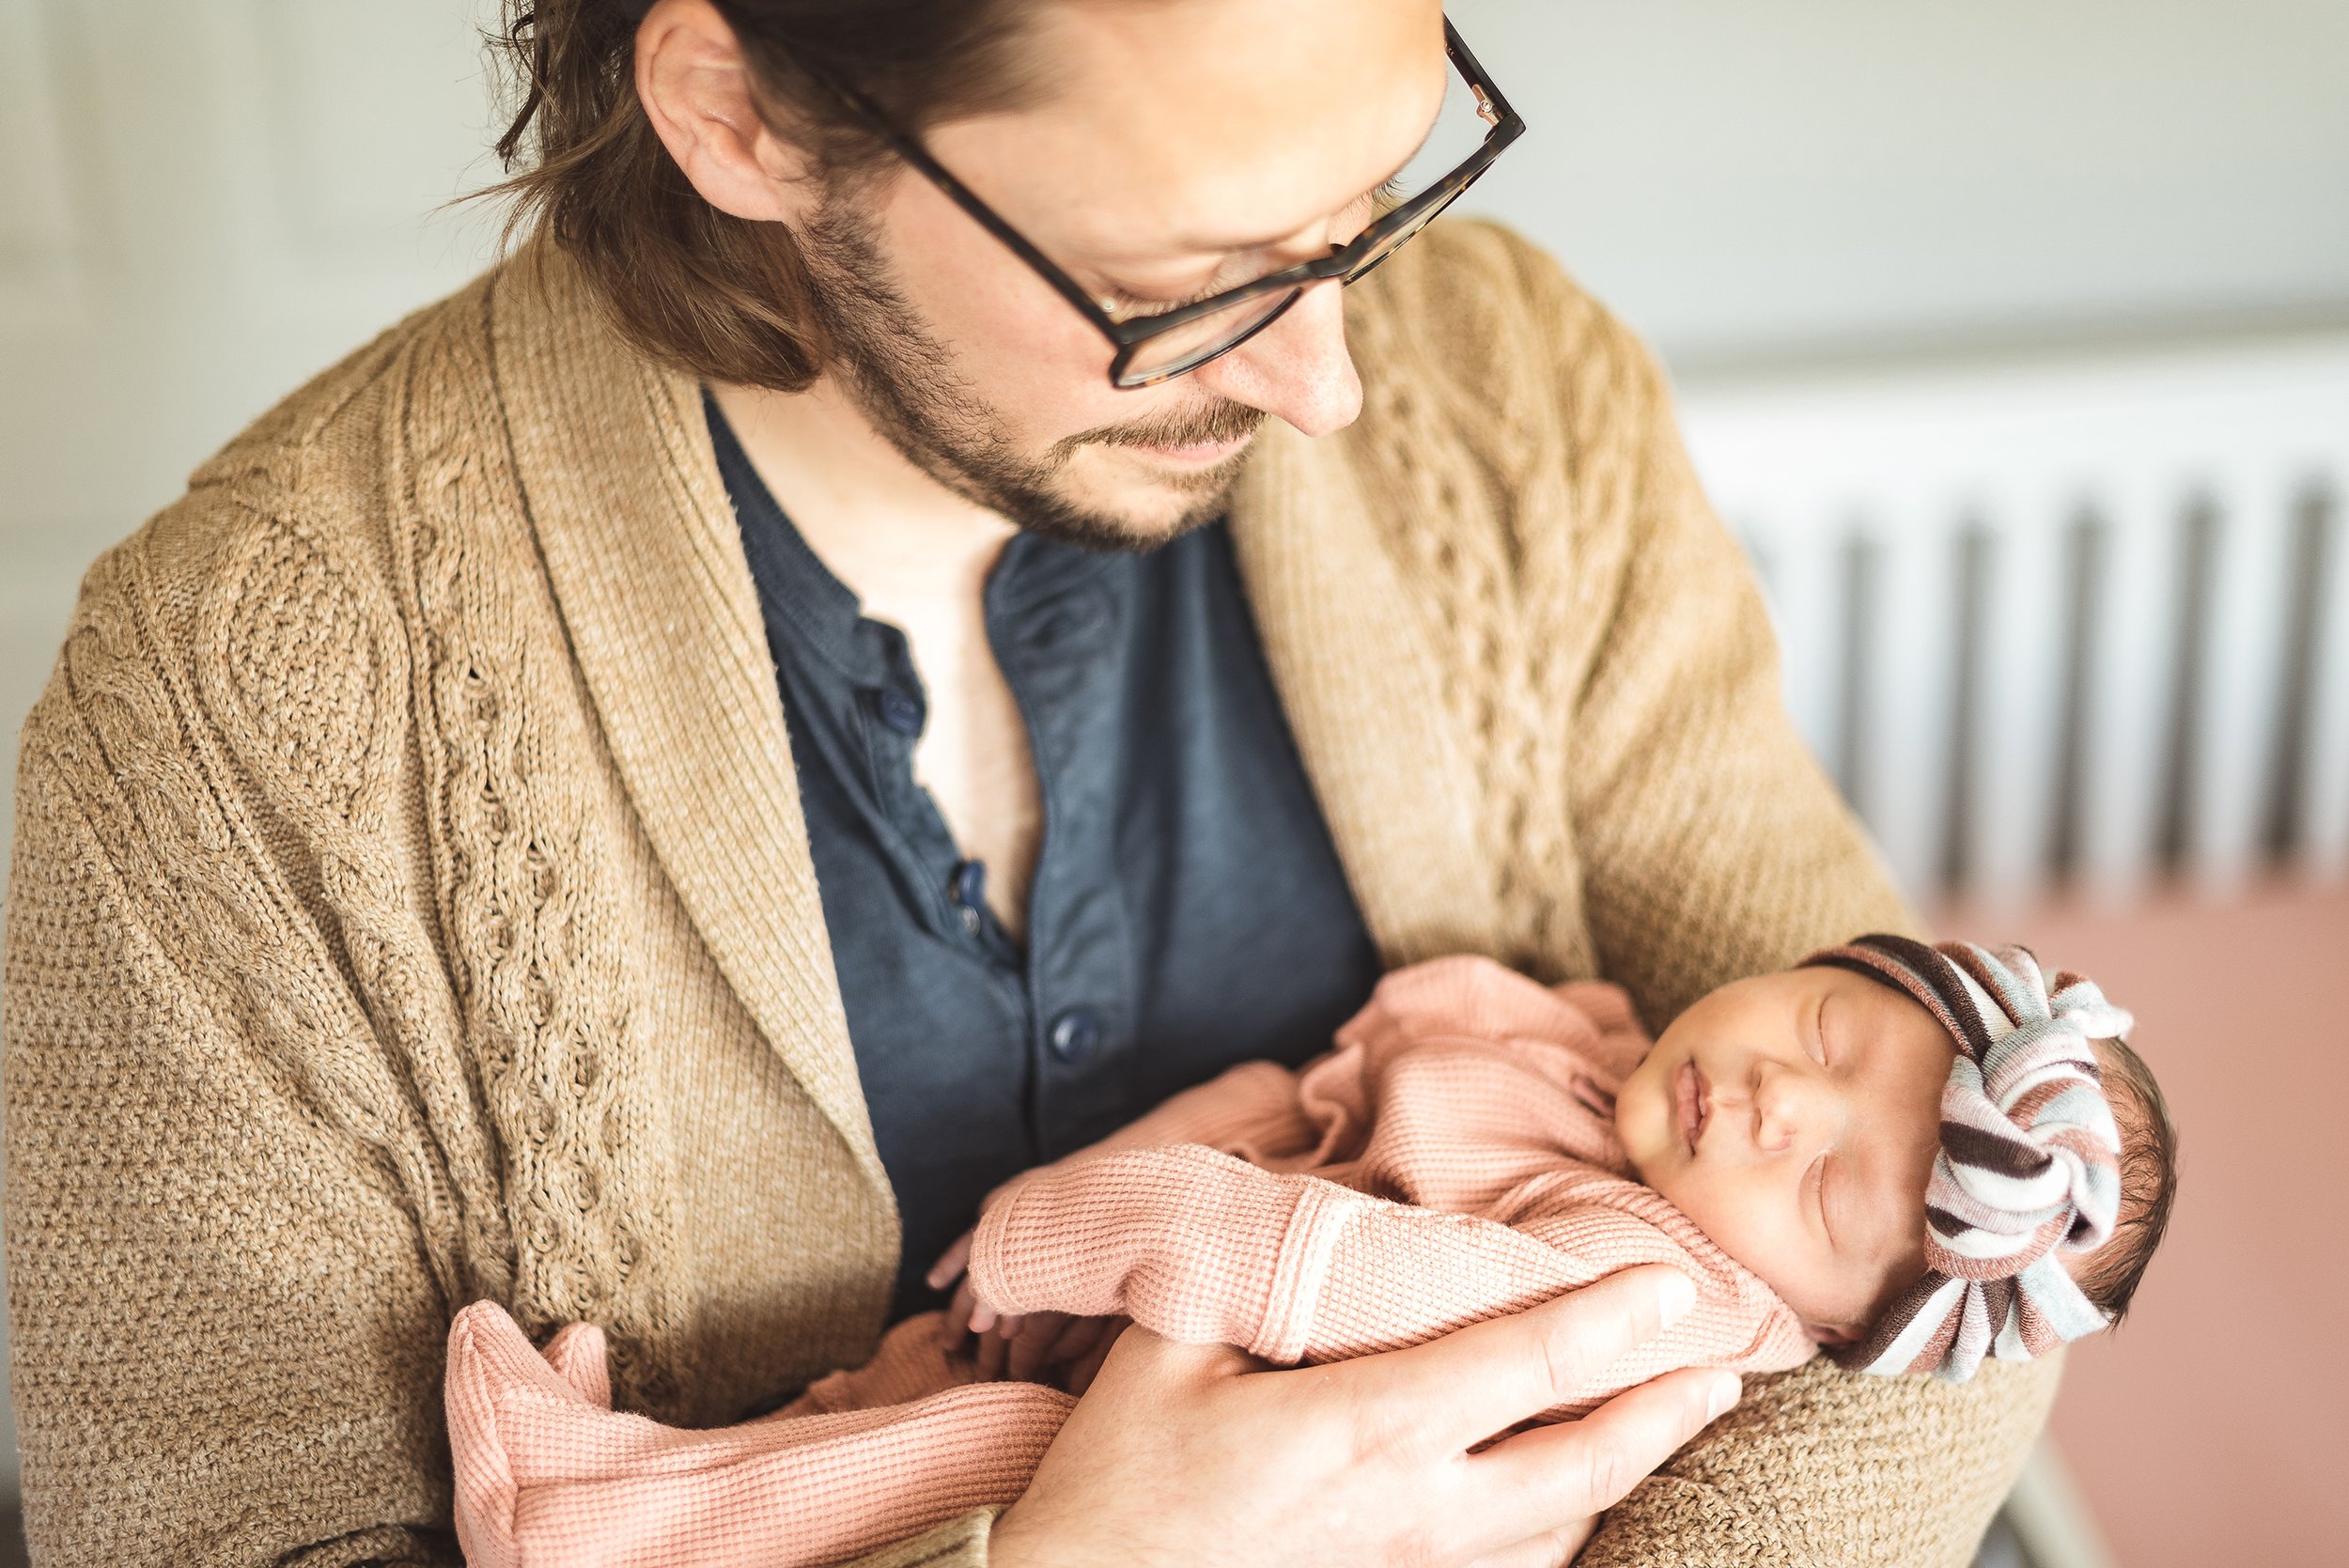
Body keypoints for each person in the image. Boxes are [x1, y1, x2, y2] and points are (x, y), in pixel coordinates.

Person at [0, 0, 2061, 1561]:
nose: (1332, 375)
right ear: (734, 112)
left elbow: (1969, 1270)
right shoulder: (233, 718)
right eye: (1184, 286)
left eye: (1379, 193)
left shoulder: (1505, 392)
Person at [439, 937, 2178, 1568]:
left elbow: (1293, 1263)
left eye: (1827, 1194)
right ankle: (680, 1471)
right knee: (882, 1402)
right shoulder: (1607, 1061)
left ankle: (582, 1520)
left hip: (1232, 1422)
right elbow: (1293, 1092)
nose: (1778, 1098)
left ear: (1828, 1316)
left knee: (963, 1461)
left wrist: (1065, 1222)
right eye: (1822, 1022)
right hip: (1155, 1332)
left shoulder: (1645, 1293)